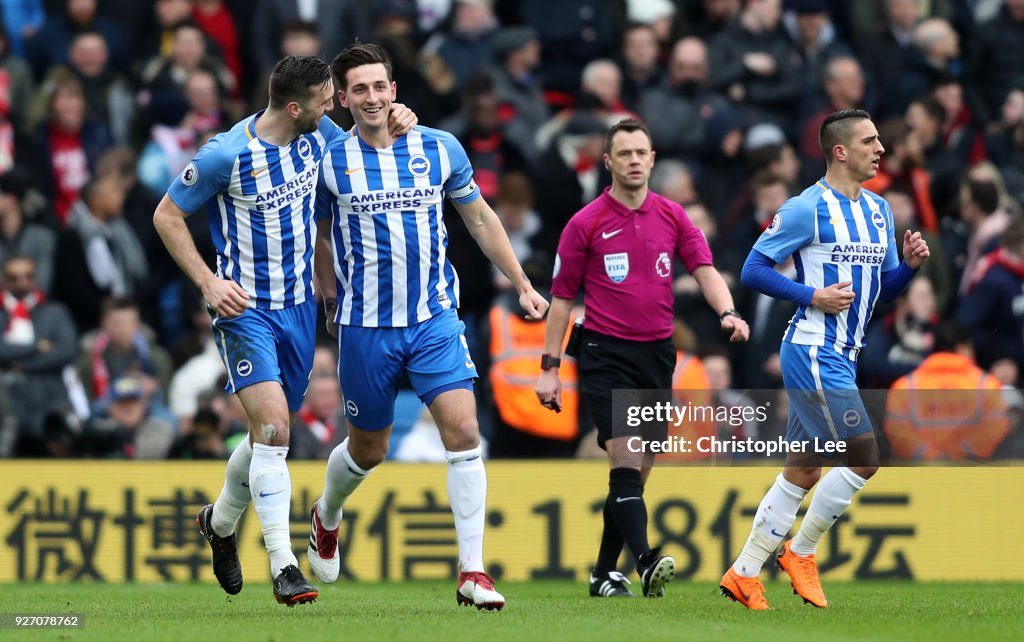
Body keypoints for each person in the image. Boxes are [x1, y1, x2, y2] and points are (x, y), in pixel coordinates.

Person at [152, 54, 415, 606]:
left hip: (298, 309)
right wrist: (206, 282)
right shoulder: (227, 153)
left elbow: (364, 154)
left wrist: (399, 118)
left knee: (265, 436)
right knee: (274, 432)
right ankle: (284, 564)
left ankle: (219, 524)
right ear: (295, 107)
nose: (332, 108)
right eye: (325, 101)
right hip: (244, 308)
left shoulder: (317, 141)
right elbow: (167, 216)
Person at [306, 43, 548, 612]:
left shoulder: (438, 148)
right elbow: (319, 231)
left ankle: (473, 572)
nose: (371, 97)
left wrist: (522, 284)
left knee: (463, 432)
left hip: (435, 316)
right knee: (369, 450)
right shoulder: (328, 161)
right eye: (358, 89)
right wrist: (325, 291)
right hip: (366, 327)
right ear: (342, 99)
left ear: (395, 90)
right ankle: (327, 514)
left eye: (379, 86)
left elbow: (481, 218)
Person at [720, 109, 930, 610]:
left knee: (805, 467)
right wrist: (811, 294)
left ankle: (745, 572)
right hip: (813, 348)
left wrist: (911, 269)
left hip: (844, 352)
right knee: (865, 456)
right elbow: (752, 269)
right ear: (840, 151)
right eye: (869, 141)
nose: (880, 149)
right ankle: (802, 551)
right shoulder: (804, 208)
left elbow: (876, 294)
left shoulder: (879, 210)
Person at [535, 118, 750, 599]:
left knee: (635, 472)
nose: (634, 161)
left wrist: (729, 312)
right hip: (604, 351)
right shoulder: (585, 222)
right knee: (626, 457)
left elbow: (705, 269)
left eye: (641, 153)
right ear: (608, 161)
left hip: (658, 353)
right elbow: (562, 300)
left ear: (652, 159)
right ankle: (647, 559)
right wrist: (549, 369)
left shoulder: (673, 215)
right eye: (625, 153)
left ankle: (603, 574)